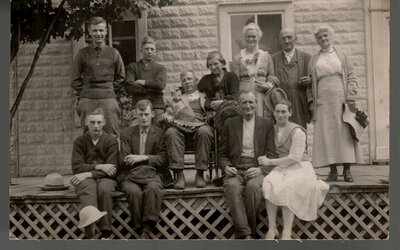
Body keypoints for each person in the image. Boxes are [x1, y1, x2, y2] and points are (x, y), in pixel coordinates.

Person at [259, 100, 329, 240]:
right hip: (282, 166)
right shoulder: (272, 130)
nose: (280, 115)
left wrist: (270, 162)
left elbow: (295, 158)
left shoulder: (297, 131)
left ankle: (286, 232)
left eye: (284, 111)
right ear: (273, 113)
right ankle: (272, 228)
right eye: (277, 111)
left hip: (300, 167)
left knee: (287, 188)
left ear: (290, 113)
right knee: (268, 182)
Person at [218, 89, 276, 239]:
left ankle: (246, 232)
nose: (248, 105)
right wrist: (226, 167)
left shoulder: (267, 124)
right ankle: (247, 235)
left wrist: (261, 170)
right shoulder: (230, 124)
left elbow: (271, 155)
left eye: (251, 102)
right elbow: (222, 154)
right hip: (235, 168)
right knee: (232, 186)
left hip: (256, 167)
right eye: (244, 102)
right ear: (239, 105)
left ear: (256, 104)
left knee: (252, 188)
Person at [308, 26, 362, 182]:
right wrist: (312, 102)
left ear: (331, 36)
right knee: (327, 134)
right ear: (317, 40)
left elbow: (352, 77)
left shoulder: (342, 57)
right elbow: (310, 84)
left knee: (344, 133)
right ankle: (332, 170)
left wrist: (350, 97)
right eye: (320, 37)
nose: (323, 39)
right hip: (323, 101)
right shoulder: (314, 60)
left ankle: (347, 170)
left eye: (326, 36)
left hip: (341, 99)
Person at [117, 99, 172, 239]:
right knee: (133, 191)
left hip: (154, 173)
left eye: (146, 114)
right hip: (131, 175)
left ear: (152, 114)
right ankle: (138, 227)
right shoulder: (126, 133)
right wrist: (137, 160)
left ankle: (147, 228)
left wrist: (142, 158)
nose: (143, 118)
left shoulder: (160, 133)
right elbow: (124, 158)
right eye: (140, 114)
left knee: (152, 189)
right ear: (135, 114)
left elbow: (163, 160)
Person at [71, 16, 125, 138]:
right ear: (89, 32)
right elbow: (75, 79)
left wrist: (109, 90)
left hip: (108, 98)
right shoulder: (82, 53)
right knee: (89, 136)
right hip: (87, 99)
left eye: (101, 30)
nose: (98, 34)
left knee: (111, 135)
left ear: (106, 31)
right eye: (95, 30)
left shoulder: (113, 53)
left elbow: (121, 77)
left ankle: (111, 157)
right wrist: (86, 91)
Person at [70, 108, 118, 239]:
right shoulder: (79, 142)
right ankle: (89, 229)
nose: (95, 126)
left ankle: (105, 231)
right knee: (87, 188)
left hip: (105, 178)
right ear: (86, 122)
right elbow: (77, 167)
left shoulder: (111, 141)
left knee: (105, 189)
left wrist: (88, 173)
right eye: (92, 122)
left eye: (98, 122)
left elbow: (112, 170)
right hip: (86, 178)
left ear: (104, 122)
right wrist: (100, 166)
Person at [164, 70, 214, 189]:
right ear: (181, 83)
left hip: (199, 127)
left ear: (196, 81)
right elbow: (168, 113)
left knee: (205, 131)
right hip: (180, 127)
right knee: (171, 132)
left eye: (189, 79)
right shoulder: (176, 98)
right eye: (184, 80)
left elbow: (211, 112)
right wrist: (167, 117)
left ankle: (200, 174)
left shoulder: (205, 96)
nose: (187, 82)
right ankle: (180, 175)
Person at [231, 23, 278, 117]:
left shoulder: (266, 56)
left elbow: (270, 75)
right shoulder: (237, 57)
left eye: (253, 36)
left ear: (259, 37)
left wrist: (268, 86)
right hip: (244, 91)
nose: (251, 39)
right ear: (244, 38)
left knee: (260, 118)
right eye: (248, 36)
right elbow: (234, 79)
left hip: (260, 92)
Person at [270, 28, 312, 128]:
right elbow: (267, 75)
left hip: (299, 101)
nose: (287, 41)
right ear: (279, 41)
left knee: (299, 130)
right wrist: (269, 76)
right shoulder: (273, 58)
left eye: (289, 37)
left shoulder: (306, 58)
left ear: (295, 38)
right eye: (283, 38)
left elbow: (314, 79)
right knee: (280, 131)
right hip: (280, 99)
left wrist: (310, 80)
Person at [124, 37, 167, 127]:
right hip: (138, 104)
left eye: (152, 49)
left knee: (158, 131)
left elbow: (160, 84)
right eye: (146, 49)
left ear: (156, 51)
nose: (149, 51)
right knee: (134, 129)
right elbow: (129, 87)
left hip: (156, 105)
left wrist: (142, 82)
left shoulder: (160, 68)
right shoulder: (133, 67)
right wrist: (149, 89)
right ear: (141, 50)